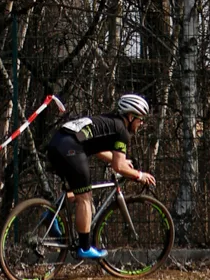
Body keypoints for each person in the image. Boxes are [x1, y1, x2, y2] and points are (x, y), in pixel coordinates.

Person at [44, 93, 155, 259]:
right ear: (131, 116)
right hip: (71, 149)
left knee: (76, 191)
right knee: (85, 198)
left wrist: (123, 162)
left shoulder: (109, 122)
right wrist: (139, 175)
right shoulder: (122, 132)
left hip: (58, 144)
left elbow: (96, 148)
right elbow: (118, 167)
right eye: (140, 119)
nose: (142, 123)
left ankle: (51, 216)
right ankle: (85, 247)